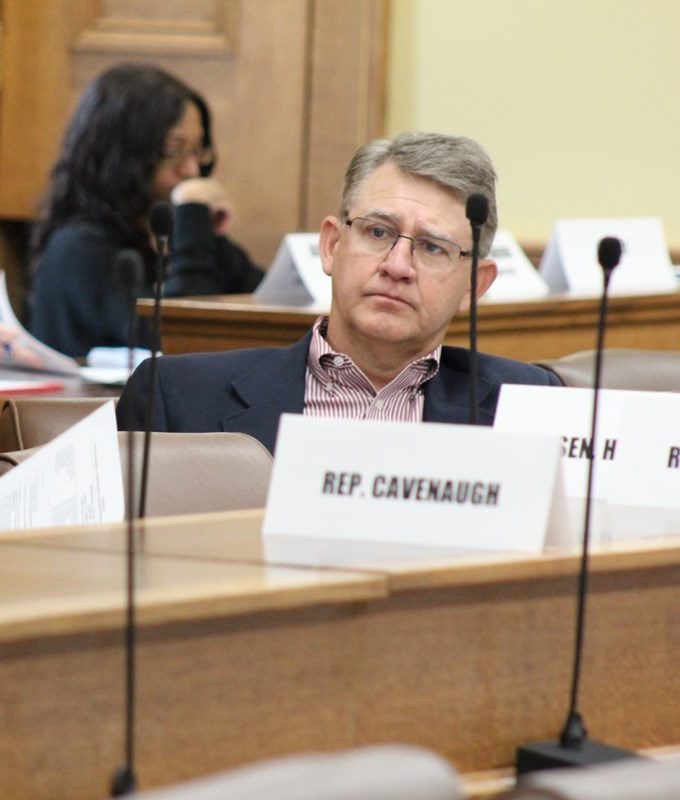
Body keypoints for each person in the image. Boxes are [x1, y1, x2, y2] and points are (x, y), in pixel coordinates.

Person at [117, 131, 562, 452]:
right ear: (331, 245)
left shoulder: (530, 404)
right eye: (378, 231)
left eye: (432, 247)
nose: (397, 266)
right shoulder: (177, 400)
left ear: (474, 286)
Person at [29, 63, 263, 359]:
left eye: (197, 149)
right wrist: (192, 215)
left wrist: (199, 232)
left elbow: (266, 305)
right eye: (173, 151)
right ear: (123, 156)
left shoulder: (169, 231)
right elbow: (182, 341)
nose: (191, 169)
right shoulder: (79, 248)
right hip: (95, 405)